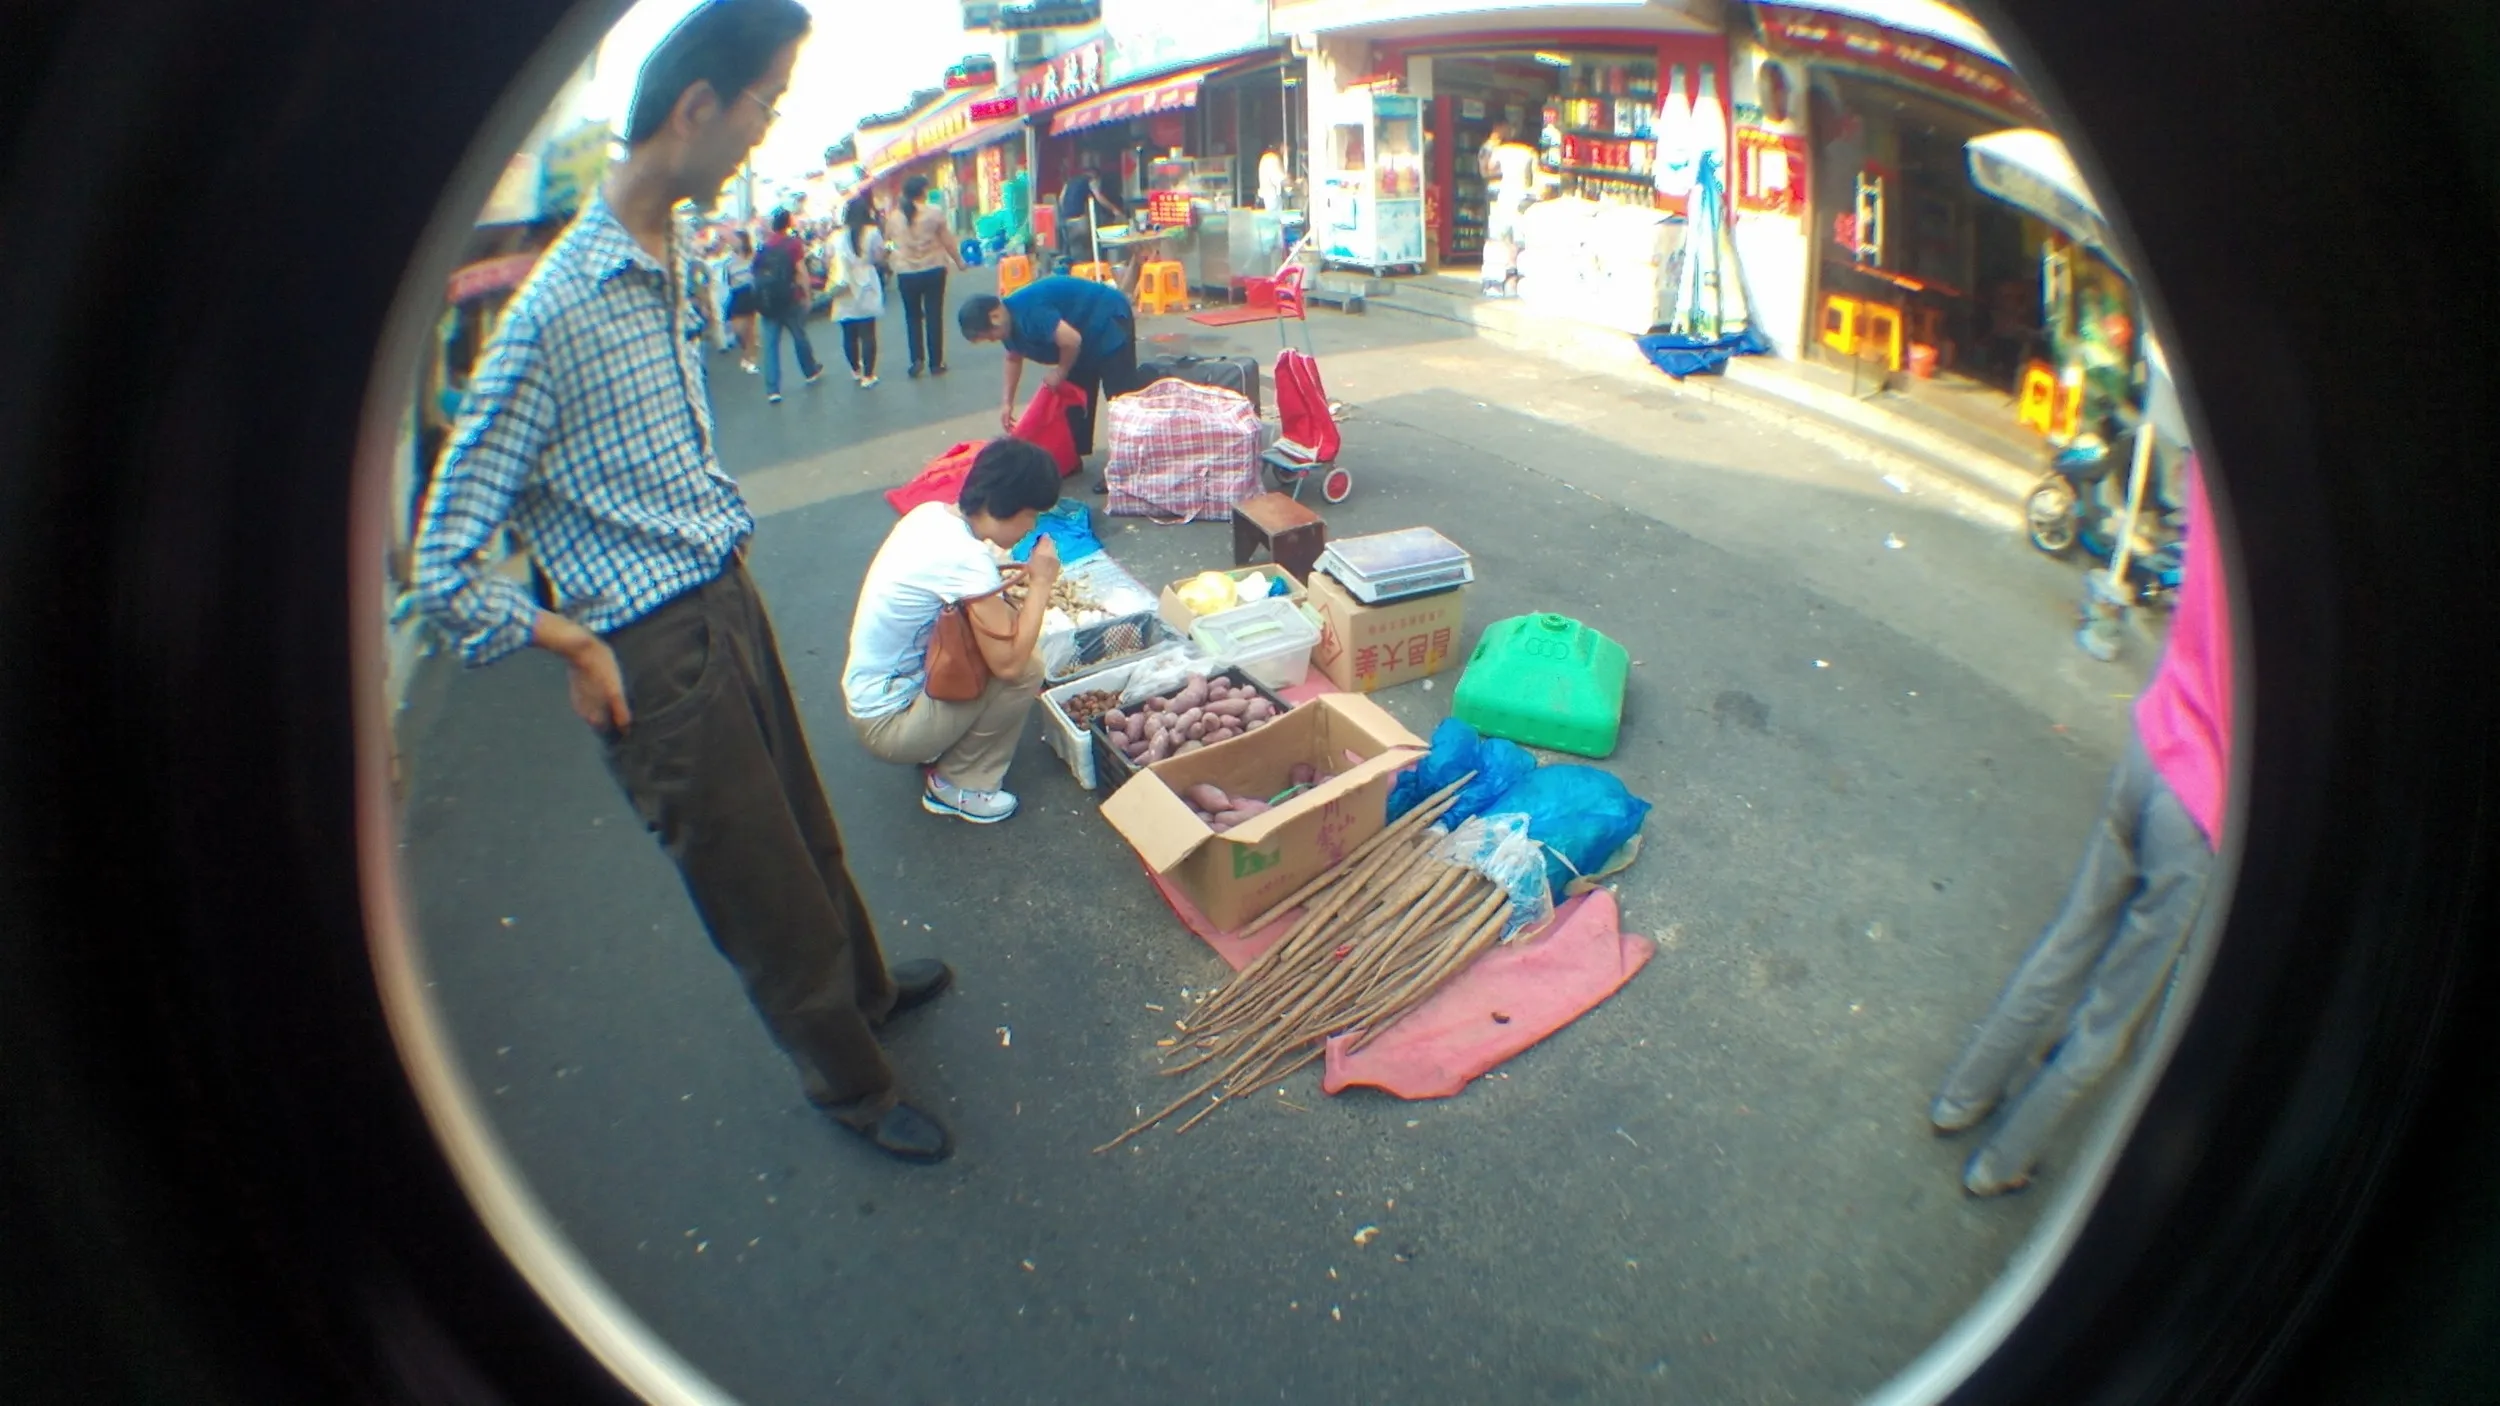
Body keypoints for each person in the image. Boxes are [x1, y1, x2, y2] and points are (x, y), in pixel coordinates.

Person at [408, 0, 957, 1166]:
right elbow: (443, 563)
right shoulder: (549, 313)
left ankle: (866, 991)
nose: (766, 127)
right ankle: (852, 1086)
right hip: (650, 654)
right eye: (764, 101)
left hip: (723, 600)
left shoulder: (667, 254)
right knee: (760, 893)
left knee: (806, 832)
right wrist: (573, 644)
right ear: (698, 106)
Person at [1929, 454, 2230, 1197]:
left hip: (2151, 744)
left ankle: (1959, 1099)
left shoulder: (2227, 479)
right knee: (2110, 1013)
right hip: (2201, 807)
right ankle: (2001, 1164)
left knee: (2070, 939)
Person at [844, 438, 1062, 825]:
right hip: (888, 725)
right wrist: (1042, 583)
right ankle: (958, 786)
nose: (1033, 527)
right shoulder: (966, 559)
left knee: (1004, 639)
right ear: (1008, 508)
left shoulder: (931, 515)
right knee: (1026, 667)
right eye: (1033, 516)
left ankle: (940, 745)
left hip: (869, 697)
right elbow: (1010, 665)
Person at [956, 275, 1142, 491]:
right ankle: (1070, 459)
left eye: (990, 335)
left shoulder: (1030, 312)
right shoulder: (1007, 325)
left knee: (1120, 398)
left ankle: (1125, 467)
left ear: (995, 316)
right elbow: (1013, 357)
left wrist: (1061, 371)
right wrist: (1007, 403)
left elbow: (1071, 339)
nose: (993, 339)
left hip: (1106, 317)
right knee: (1074, 397)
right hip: (1079, 337)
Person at [885, 174, 966, 378]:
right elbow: (947, 240)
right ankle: (936, 363)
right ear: (922, 192)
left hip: (906, 272)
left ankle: (916, 359)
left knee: (912, 317)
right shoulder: (934, 213)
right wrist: (959, 261)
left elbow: (889, 241)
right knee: (933, 315)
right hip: (933, 268)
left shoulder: (894, 217)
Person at [752, 206, 822, 403]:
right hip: (790, 298)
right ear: (788, 222)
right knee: (799, 336)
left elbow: (756, 275)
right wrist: (807, 295)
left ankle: (773, 389)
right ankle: (810, 371)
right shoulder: (792, 244)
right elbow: (800, 272)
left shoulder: (764, 247)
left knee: (770, 346)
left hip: (768, 303)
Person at [828, 191, 885, 387]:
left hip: (844, 283)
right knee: (868, 332)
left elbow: (827, 258)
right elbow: (878, 257)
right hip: (866, 281)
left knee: (848, 331)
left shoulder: (836, 236)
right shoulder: (872, 232)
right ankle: (869, 375)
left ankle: (855, 369)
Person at [1482, 129, 1537, 298]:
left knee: (1503, 239)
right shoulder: (1530, 152)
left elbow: (1488, 170)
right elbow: (1534, 176)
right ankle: (1514, 275)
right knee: (1519, 241)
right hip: (1522, 197)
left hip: (1504, 196)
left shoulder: (1501, 151)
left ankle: (1501, 276)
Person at [1055, 163, 1125, 267]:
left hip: (1065, 221)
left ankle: (1075, 274)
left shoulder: (1069, 182)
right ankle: (1087, 276)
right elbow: (1099, 197)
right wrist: (1115, 210)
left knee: (1073, 253)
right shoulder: (1090, 180)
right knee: (1085, 253)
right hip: (1079, 221)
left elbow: (1061, 199)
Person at [723, 228, 760, 372]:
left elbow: (756, 273)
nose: (733, 242)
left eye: (735, 239)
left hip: (749, 291)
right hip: (736, 293)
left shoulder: (752, 256)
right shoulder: (729, 259)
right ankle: (747, 351)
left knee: (749, 327)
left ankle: (750, 356)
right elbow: (728, 279)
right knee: (738, 329)